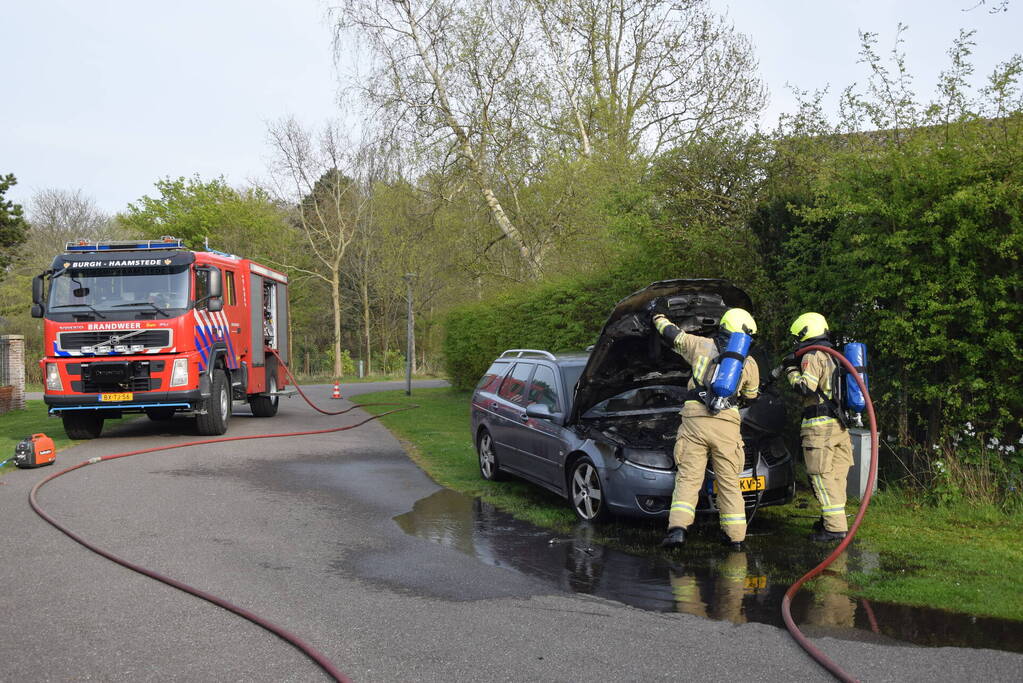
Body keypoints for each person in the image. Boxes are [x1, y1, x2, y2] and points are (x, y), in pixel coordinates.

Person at [651, 302, 760, 550]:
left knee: (689, 478)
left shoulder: (700, 345)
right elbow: (751, 397)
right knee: (730, 482)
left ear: (723, 326)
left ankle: (677, 531)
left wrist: (657, 315)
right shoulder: (750, 363)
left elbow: (672, 335)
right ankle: (735, 538)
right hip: (727, 425)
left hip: (695, 420)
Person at [774, 312, 852, 542]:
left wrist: (790, 371)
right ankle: (832, 520)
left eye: (798, 337)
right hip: (839, 426)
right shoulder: (836, 356)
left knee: (820, 476)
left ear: (806, 332)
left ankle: (834, 528)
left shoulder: (813, 355)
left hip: (819, 427)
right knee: (836, 478)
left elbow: (805, 388)